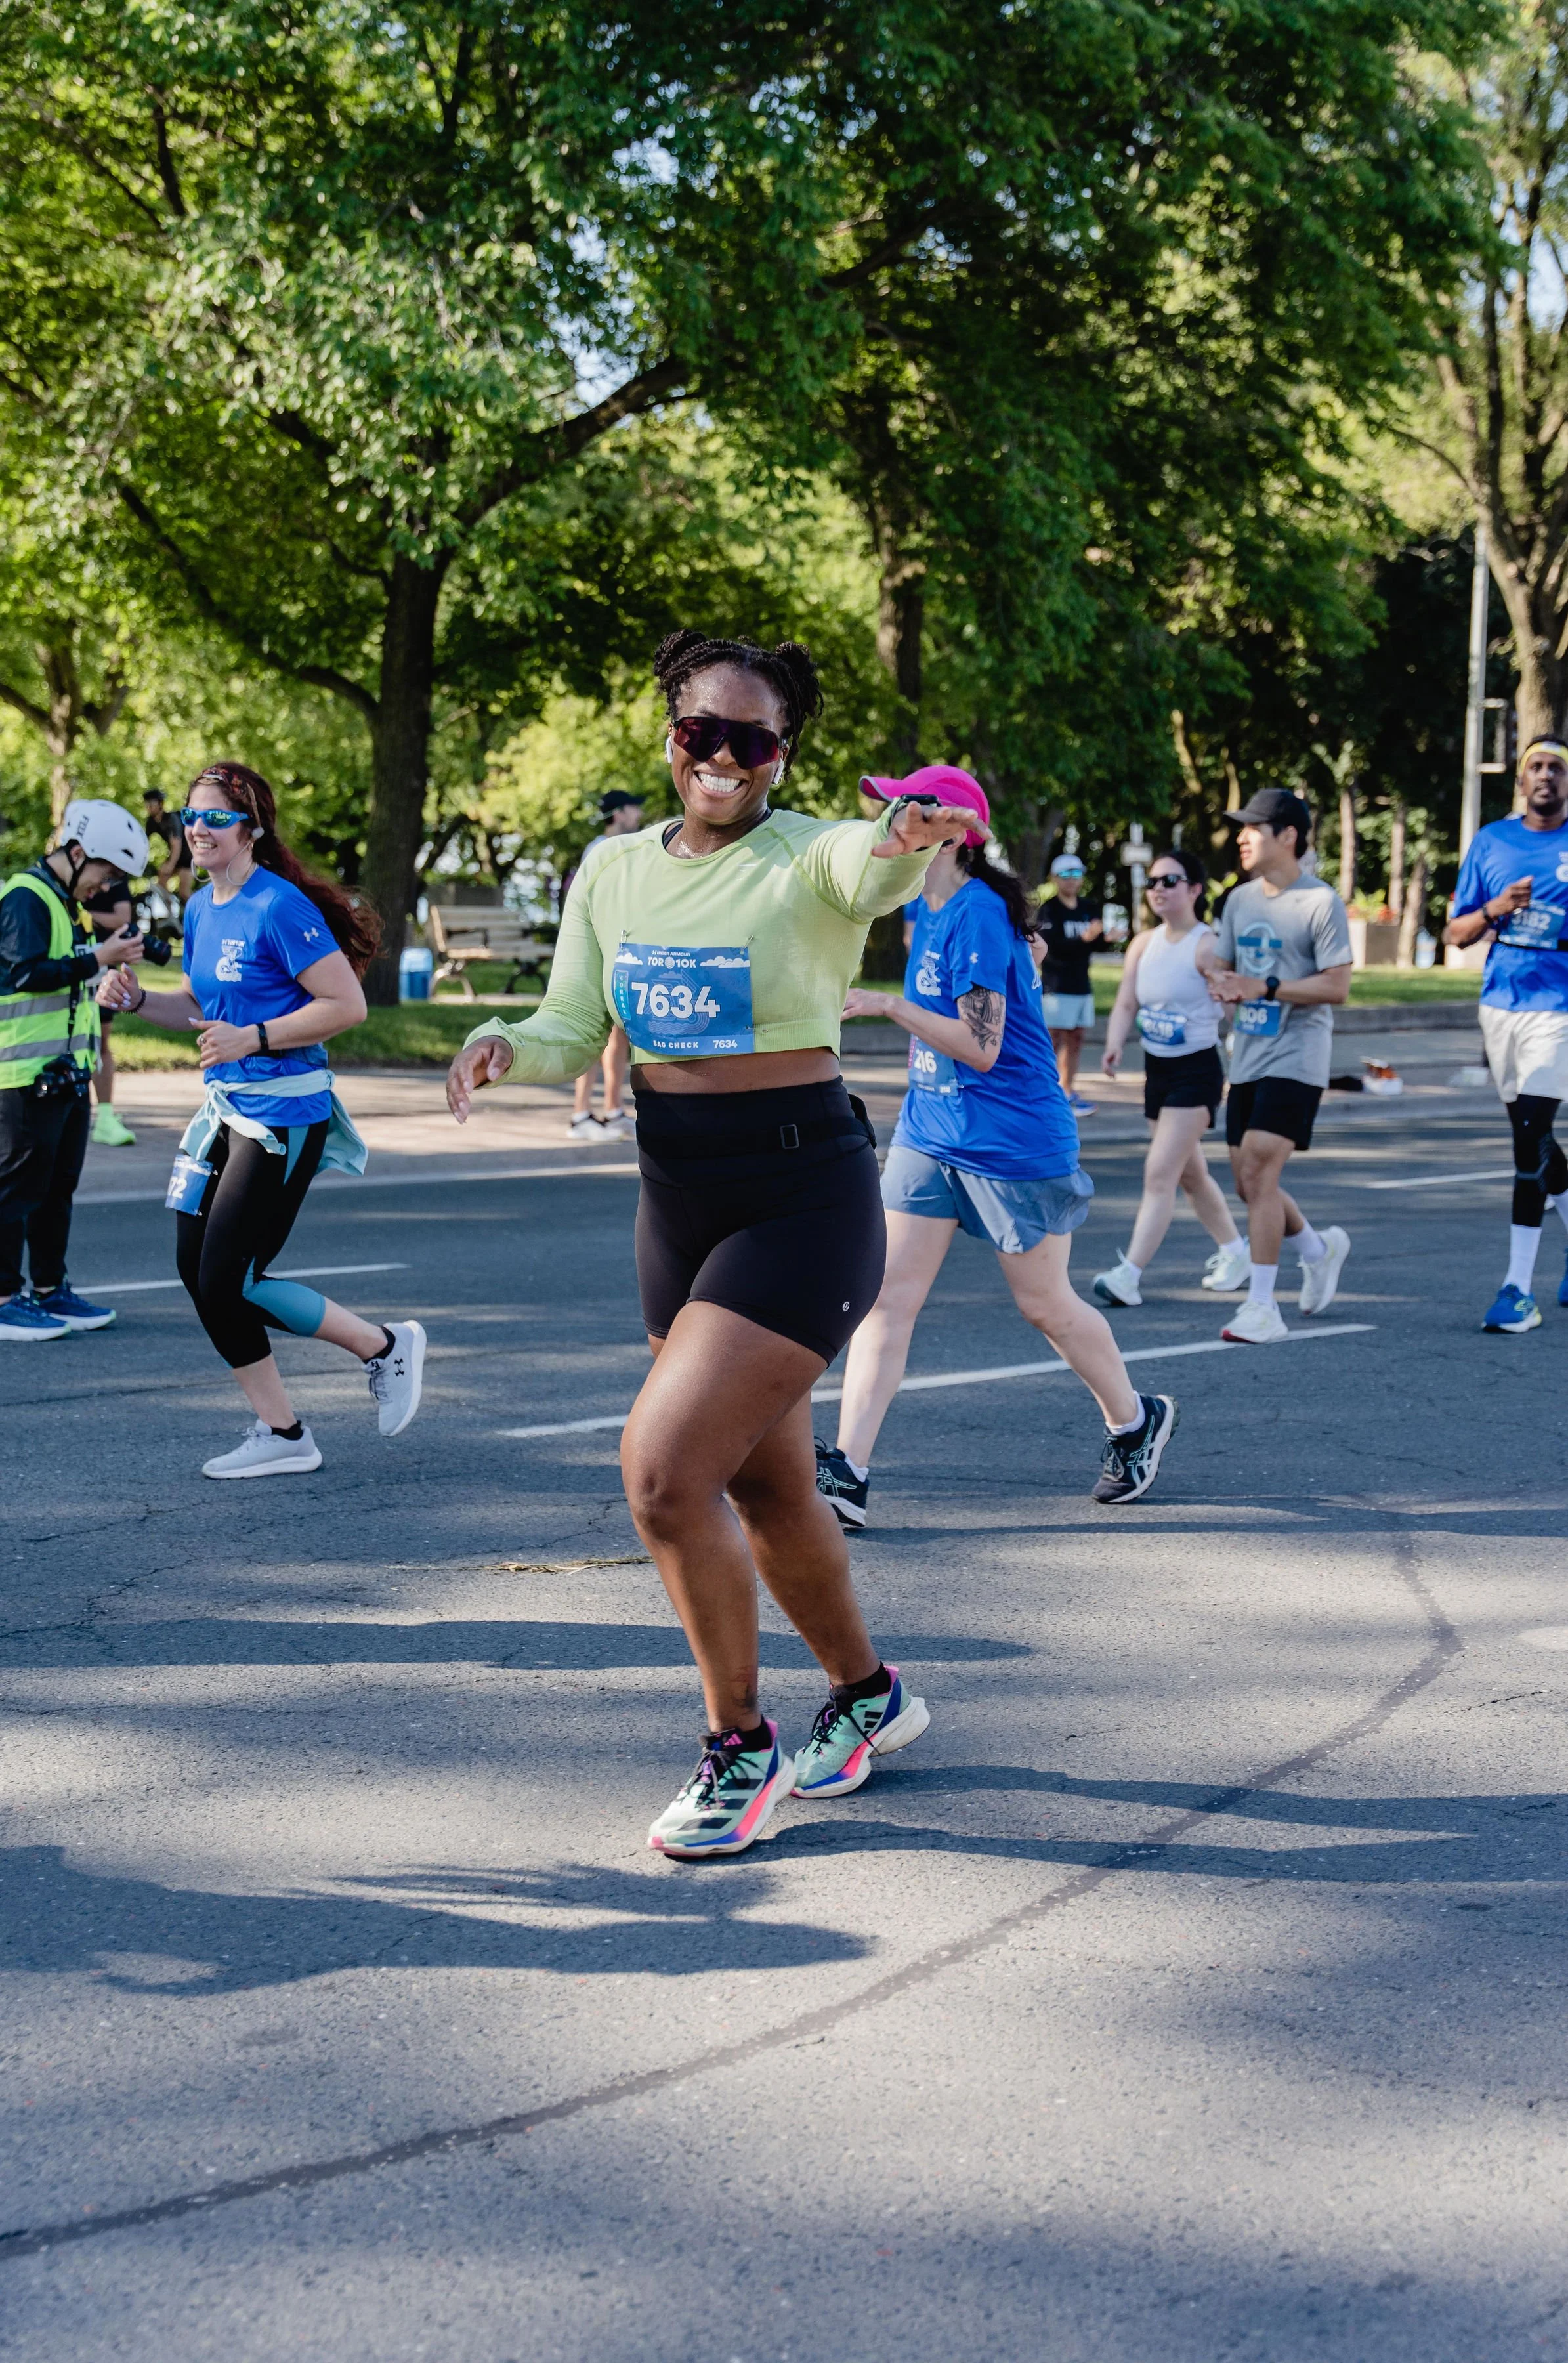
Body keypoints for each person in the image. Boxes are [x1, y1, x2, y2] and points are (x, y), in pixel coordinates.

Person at [446, 630, 977, 1858]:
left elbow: (868, 867)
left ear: (782, 757)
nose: (723, 759)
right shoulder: (615, 870)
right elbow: (571, 1020)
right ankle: (865, 1696)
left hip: (801, 1198)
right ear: (669, 734)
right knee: (767, 1484)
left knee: (663, 1473)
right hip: (675, 1198)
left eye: (754, 740)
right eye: (703, 733)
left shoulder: (811, 859)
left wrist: (899, 836)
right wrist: (503, 1048)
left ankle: (738, 1747)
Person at [814, 772, 1178, 1530]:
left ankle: (1133, 1420)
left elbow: (980, 1046)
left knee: (1044, 1303)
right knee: (887, 1298)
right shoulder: (927, 901)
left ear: (953, 831)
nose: (889, 818)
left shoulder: (975, 911)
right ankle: (847, 1473)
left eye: (904, 807)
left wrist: (889, 1006)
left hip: (1010, 1139)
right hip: (929, 1132)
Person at [98, 763, 427, 1474]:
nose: (198, 828)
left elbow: (346, 1007)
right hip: (226, 1109)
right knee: (197, 1270)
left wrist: (256, 1038)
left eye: (215, 817)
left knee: (231, 1277)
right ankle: (282, 1434)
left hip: (286, 1111)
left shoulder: (278, 907)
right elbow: (196, 1007)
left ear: (251, 828)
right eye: (191, 816)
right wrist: (132, 1002)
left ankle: (385, 1346)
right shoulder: (201, 906)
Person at [1198, 789, 1353, 1344]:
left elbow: (1337, 986)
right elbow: (1221, 965)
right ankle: (1317, 1248)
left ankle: (1262, 1307)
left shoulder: (1319, 902)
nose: (1240, 836)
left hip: (1299, 1054)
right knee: (1247, 1183)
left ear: (1287, 835)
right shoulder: (1239, 901)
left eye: (1252, 828)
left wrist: (1262, 985)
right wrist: (1217, 981)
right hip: (1249, 1055)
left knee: (1262, 1173)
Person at [0, 799, 149, 1340]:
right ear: (78, 852)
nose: (105, 888)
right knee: (16, 1190)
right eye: (105, 874)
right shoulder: (26, 897)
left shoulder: (65, 904)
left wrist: (100, 967)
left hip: (64, 1073)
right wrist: (98, 959)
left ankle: (48, 1288)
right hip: (20, 1074)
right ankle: (2, 1298)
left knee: (56, 1188)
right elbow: (25, 974)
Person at [1445, 735, 1568, 1332]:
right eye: (1536, 767)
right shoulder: (1491, 841)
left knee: (1530, 1133)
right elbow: (1455, 933)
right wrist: (1496, 908)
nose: (1546, 776)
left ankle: (1516, 1290)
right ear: (1520, 781)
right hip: (1501, 1003)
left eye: (1557, 768)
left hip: (1559, 1005)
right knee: (1533, 1135)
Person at [1093, 848, 1248, 1305]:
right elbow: (1126, 1001)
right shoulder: (1144, 944)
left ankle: (1129, 1274)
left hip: (1196, 1071)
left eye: (1170, 881)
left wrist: (1231, 1008)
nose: (1158, 890)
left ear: (1195, 889)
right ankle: (1234, 1250)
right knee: (1189, 1174)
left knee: (1159, 1172)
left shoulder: (1207, 945)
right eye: (1153, 882)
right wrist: (1114, 1043)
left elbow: (1234, 1004)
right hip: (1156, 1069)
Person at [564, 790, 645, 1142]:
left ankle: (612, 1112)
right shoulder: (601, 849)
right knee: (594, 1036)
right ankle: (580, 1115)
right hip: (600, 953)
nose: (639, 813)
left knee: (619, 1037)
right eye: (633, 807)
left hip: (621, 952)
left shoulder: (625, 848)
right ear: (619, 813)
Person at [1034, 851, 1103, 1114]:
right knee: (1052, 1039)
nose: (1072, 880)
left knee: (1076, 1038)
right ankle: (1046, 1093)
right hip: (1055, 985)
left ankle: (1068, 1090)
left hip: (1081, 984)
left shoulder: (1088, 908)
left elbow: (1092, 944)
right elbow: (1051, 950)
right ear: (1054, 878)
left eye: (1077, 874)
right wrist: (1084, 940)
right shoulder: (1049, 910)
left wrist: (1104, 937)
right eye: (1066, 874)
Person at [80, 872, 140, 1147]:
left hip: (104, 969)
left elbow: (123, 919)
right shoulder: (61, 871)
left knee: (100, 1044)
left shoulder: (111, 874)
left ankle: (104, 1119)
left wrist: (87, 917)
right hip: (70, 965)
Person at [144, 788, 194, 910]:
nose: (149, 807)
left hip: (187, 857)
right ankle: (172, 913)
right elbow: (144, 842)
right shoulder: (151, 822)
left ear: (160, 804)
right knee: (161, 882)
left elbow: (176, 844)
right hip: (175, 857)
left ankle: (200, 913)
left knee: (185, 893)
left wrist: (171, 865)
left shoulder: (171, 819)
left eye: (152, 804)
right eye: (147, 804)